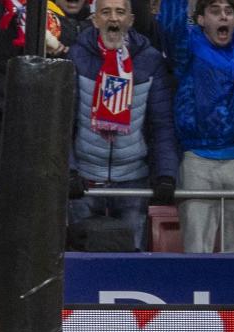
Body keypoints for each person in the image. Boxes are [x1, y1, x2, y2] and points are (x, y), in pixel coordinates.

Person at [158, 0, 234, 253]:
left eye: (229, 12)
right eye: (215, 11)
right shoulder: (186, 47)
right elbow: (170, 22)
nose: (223, 17)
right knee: (196, 247)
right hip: (197, 160)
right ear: (200, 20)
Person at [68, 0, 178, 251]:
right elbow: (63, 122)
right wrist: (69, 171)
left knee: (131, 261)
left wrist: (166, 174)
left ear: (131, 20)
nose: (114, 19)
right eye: (106, 12)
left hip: (133, 181)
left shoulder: (150, 60)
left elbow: (162, 124)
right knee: (81, 260)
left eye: (120, 12)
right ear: (95, 20)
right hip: (84, 180)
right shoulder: (76, 56)